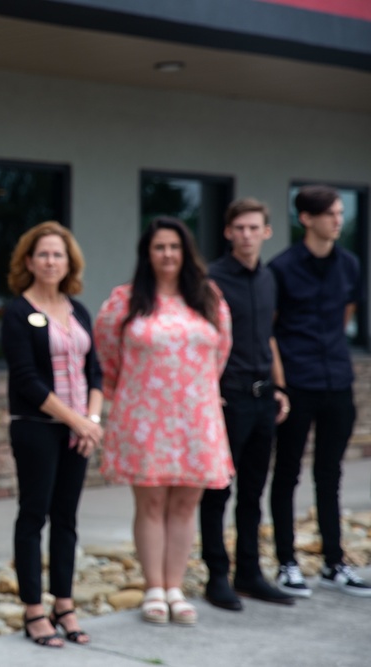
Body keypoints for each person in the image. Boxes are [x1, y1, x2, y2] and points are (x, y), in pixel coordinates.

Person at [94, 216, 233, 627]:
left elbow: (220, 352)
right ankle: (153, 586)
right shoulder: (125, 299)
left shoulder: (208, 297)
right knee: (152, 501)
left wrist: (195, 389)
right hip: (145, 416)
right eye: (159, 247)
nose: (167, 254)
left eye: (174, 247)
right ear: (147, 254)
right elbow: (107, 355)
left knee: (187, 502)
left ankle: (175, 587)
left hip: (196, 416)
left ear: (185, 253)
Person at [0, 222, 104, 648]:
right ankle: (33, 610)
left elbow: (95, 371)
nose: (50, 261)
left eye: (57, 254)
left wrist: (91, 422)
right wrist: (76, 421)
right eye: (42, 254)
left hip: (79, 433)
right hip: (37, 430)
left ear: (69, 262)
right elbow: (26, 379)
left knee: (67, 520)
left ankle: (64, 603)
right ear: (29, 261)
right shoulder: (16, 311)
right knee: (33, 516)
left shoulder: (78, 310)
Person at [268, 185, 371, 598]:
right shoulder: (282, 268)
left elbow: (346, 312)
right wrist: (279, 383)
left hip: (337, 382)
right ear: (307, 219)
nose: (338, 220)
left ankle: (334, 562)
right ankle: (287, 562)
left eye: (341, 212)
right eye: (330, 213)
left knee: (330, 474)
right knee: (288, 472)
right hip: (297, 383)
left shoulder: (348, 263)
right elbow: (270, 329)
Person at [199, 198, 295, 611]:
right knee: (218, 491)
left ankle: (250, 575)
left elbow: (268, 338)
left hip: (262, 398)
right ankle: (217, 576)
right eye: (239, 228)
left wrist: (280, 388)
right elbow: (201, 340)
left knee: (254, 492)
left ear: (266, 232)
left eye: (254, 228)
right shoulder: (212, 280)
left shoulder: (269, 278)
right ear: (227, 232)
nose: (246, 235)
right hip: (228, 396)